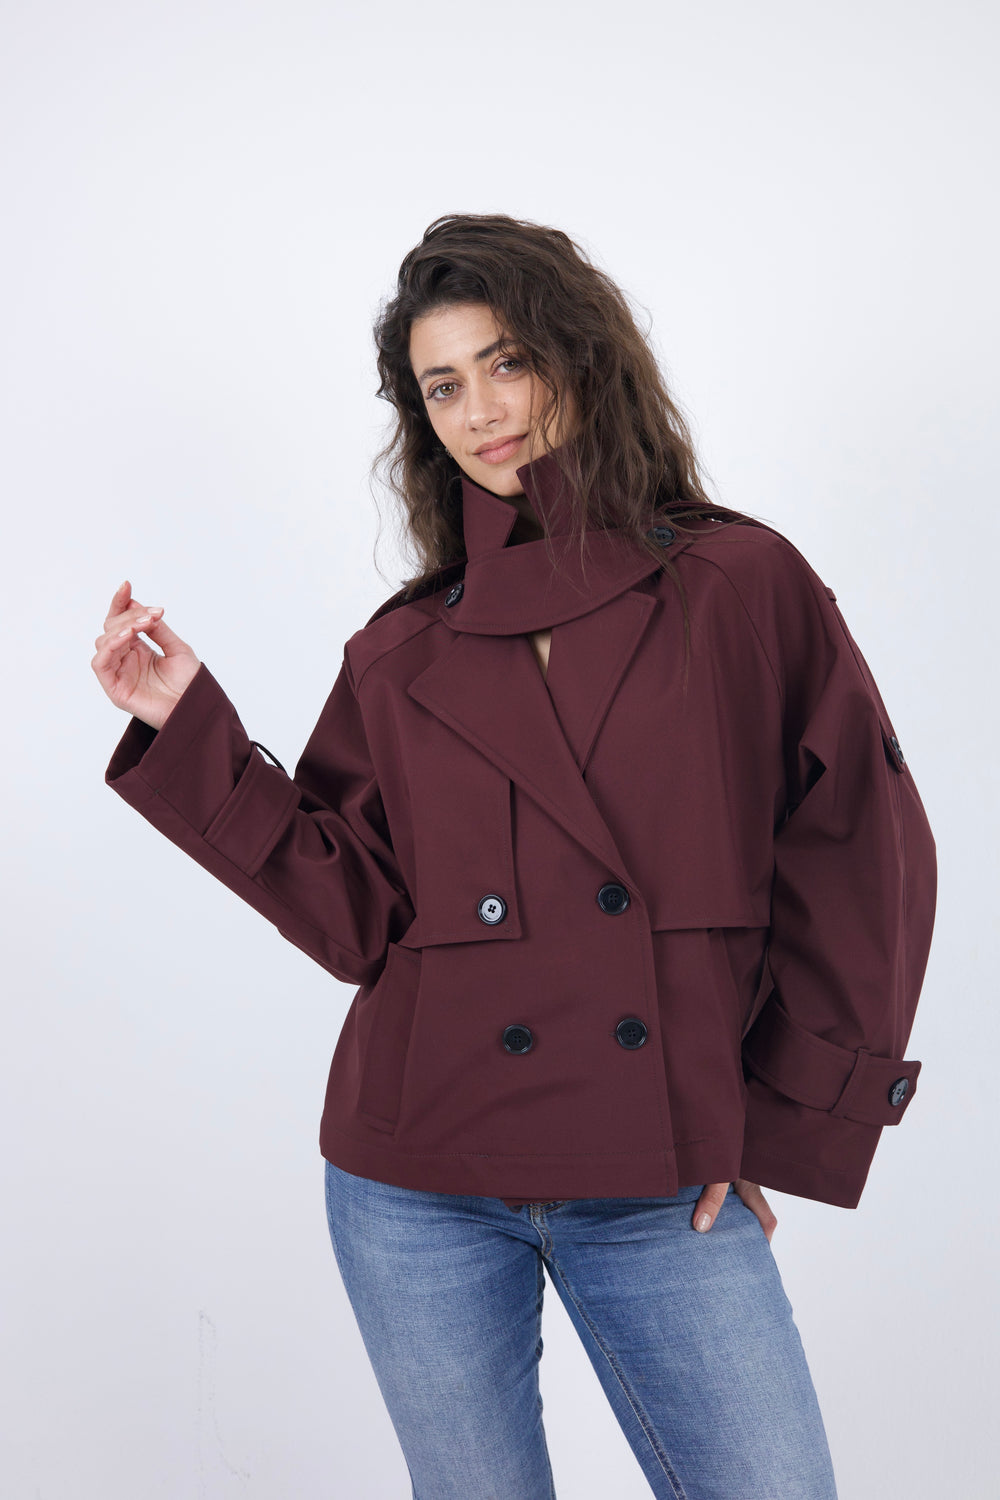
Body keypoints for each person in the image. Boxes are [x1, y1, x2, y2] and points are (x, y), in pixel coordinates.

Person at [92, 212, 936, 1500]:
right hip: (415, 1185)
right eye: (442, 386)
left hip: (661, 1182)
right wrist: (188, 728)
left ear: (579, 359)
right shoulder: (403, 649)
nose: (481, 411)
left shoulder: (738, 583)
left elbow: (863, 856)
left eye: (507, 362)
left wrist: (774, 1117)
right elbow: (355, 916)